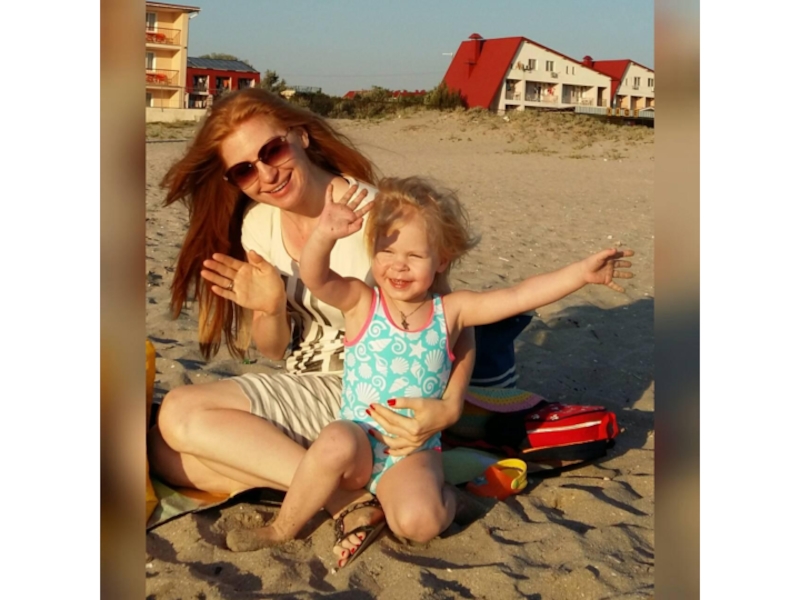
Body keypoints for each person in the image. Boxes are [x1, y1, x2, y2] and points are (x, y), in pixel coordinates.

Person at [147, 89, 477, 569]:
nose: (266, 174)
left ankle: (337, 494)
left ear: (300, 137)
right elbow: (275, 350)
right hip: (306, 384)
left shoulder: (376, 213)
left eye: (272, 151)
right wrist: (270, 309)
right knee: (165, 453)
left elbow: (452, 320)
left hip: (366, 389)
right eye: (244, 170)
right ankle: (343, 495)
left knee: (180, 414)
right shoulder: (259, 226)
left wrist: (451, 406)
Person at [224, 176, 635, 559]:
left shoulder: (452, 311)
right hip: (358, 441)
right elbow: (315, 276)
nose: (398, 266)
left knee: (419, 524)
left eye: (414, 255)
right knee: (333, 439)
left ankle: (451, 493)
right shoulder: (362, 301)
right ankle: (282, 528)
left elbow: (519, 295)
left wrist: (581, 274)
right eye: (386, 252)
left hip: (413, 450)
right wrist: (324, 234)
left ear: (441, 260)